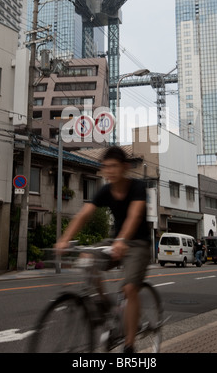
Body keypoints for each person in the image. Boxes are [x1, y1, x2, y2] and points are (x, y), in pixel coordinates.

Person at [55, 146, 151, 354]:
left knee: (129, 289)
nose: (110, 171)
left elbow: (134, 216)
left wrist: (123, 240)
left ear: (125, 167)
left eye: (114, 166)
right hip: (117, 241)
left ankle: (129, 345)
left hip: (138, 244)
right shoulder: (105, 191)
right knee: (87, 257)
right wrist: (64, 239)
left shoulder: (137, 187)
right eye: (106, 167)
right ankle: (106, 307)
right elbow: (83, 214)